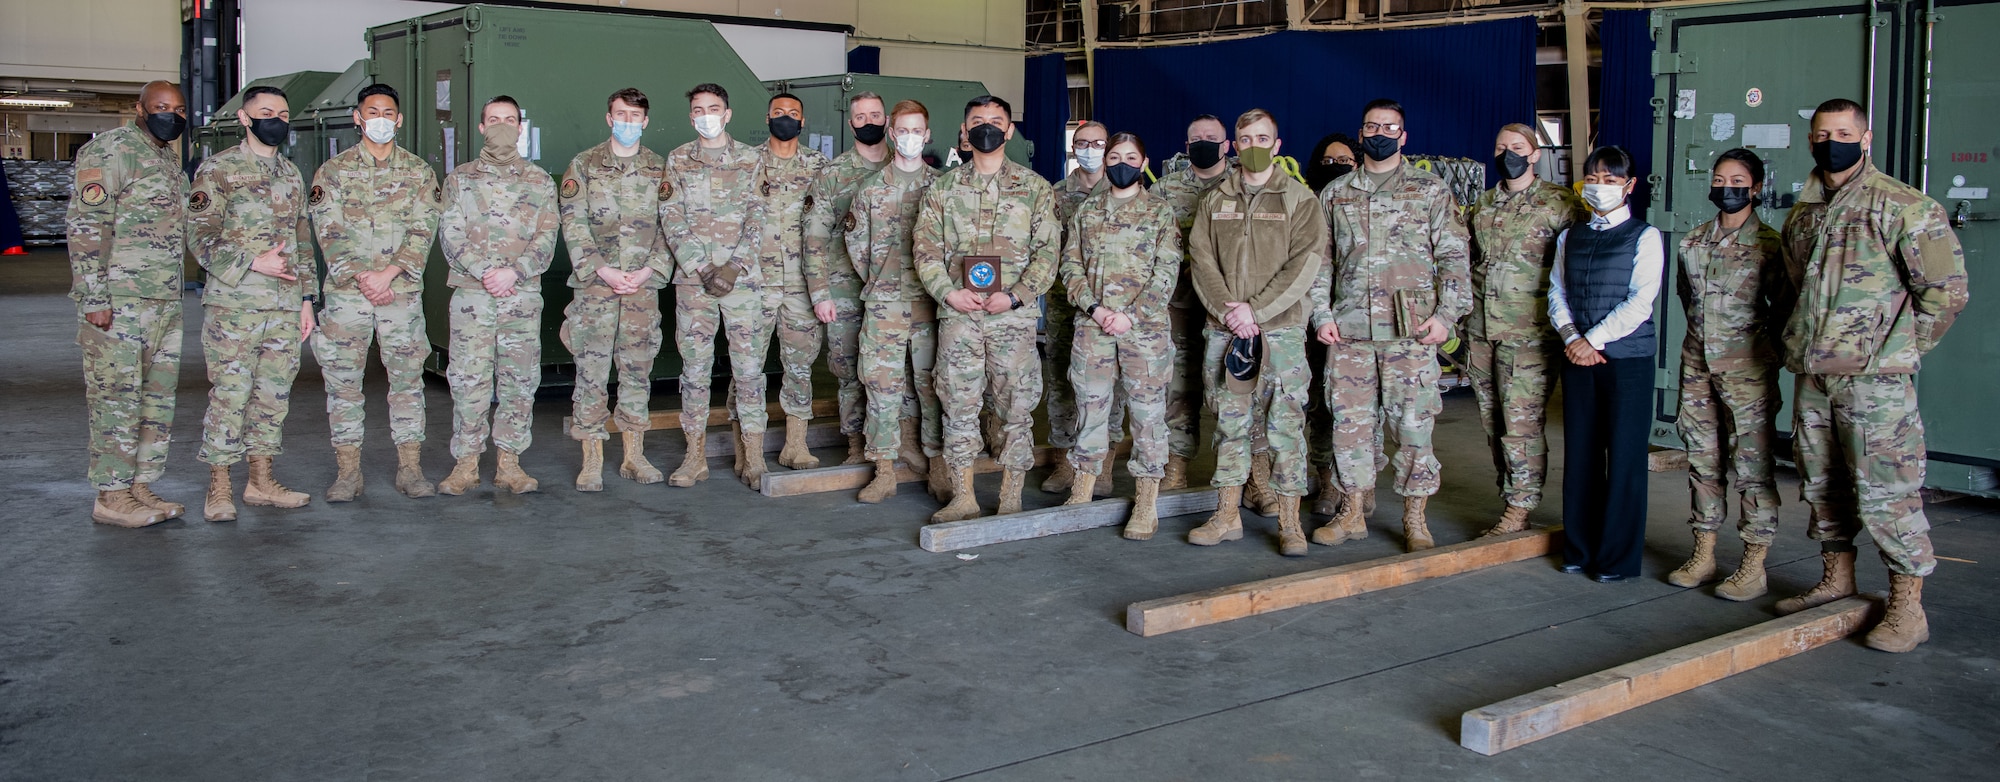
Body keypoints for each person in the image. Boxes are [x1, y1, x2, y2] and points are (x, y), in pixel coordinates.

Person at [1775, 98, 1967, 652]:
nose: (1828, 141)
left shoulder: (1904, 205)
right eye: (1819, 133)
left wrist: (1897, 353)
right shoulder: (1805, 211)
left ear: (1865, 138)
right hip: (1813, 376)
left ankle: (1908, 606)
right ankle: (1837, 579)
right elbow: (1791, 292)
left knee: (1887, 490)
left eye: (1841, 132)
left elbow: (1946, 294)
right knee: (1821, 481)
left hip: (1874, 382)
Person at [1312, 99, 1471, 552]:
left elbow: (1455, 259)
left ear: (1404, 136)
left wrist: (1446, 318)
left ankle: (1415, 517)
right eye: (1371, 126)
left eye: (1389, 127)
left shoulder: (1430, 190)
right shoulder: (1337, 192)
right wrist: (1321, 314)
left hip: (1412, 332)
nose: (1379, 133)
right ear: (1360, 134)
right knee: (1351, 426)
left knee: (1414, 427)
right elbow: (1320, 263)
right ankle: (1351, 512)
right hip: (1351, 332)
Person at [913, 95, 1060, 522]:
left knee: (1016, 405)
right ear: (964, 131)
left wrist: (1016, 295)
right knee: (958, 403)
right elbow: (925, 250)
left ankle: (1011, 495)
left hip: (1011, 317)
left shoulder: (1035, 188)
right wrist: (948, 293)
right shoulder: (943, 189)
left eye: (995, 121)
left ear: (1010, 130)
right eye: (977, 121)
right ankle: (964, 496)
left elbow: (1048, 253)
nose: (986, 128)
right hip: (960, 315)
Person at [1187, 108, 1327, 555]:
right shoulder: (1215, 199)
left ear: (1277, 145)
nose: (1253, 147)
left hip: (1280, 334)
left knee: (1285, 428)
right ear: (1236, 144)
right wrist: (1231, 313)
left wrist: (1256, 311)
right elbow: (1201, 259)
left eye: (1262, 138)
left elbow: (1304, 265)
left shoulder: (1299, 200)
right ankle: (1226, 515)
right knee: (1230, 426)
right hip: (1227, 330)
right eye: (1245, 139)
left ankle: (1290, 524)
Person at [188, 84, 319, 521]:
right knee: (230, 394)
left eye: (283, 114)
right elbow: (199, 238)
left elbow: (302, 240)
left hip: (284, 307)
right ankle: (219, 487)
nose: (276, 121)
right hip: (234, 306)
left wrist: (306, 298)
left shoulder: (290, 174)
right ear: (245, 119)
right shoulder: (218, 170)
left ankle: (261, 482)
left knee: (273, 396)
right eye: (266, 112)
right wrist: (251, 262)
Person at [308, 83, 442, 502]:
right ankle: (348, 474)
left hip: (400, 294)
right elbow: (327, 232)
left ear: (398, 120)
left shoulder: (419, 172)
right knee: (343, 384)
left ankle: (410, 469)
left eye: (388, 112)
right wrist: (366, 277)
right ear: (358, 117)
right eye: (372, 111)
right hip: (349, 296)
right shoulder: (332, 172)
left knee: (407, 383)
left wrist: (390, 273)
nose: (380, 119)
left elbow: (425, 230)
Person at [1666, 148, 1788, 599]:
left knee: (1753, 467)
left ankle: (1753, 563)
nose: (1727, 188)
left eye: (1737, 181)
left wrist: (1755, 349)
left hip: (1749, 372)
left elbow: (1785, 310)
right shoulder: (1692, 243)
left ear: (1755, 189)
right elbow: (1688, 301)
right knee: (1702, 462)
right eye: (1719, 180)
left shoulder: (1772, 246)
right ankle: (1704, 552)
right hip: (1697, 367)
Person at [67, 80, 189, 527]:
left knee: (156, 401)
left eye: (177, 108)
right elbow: (86, 226)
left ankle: (140, 486)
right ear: (138, 108)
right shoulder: (111, 151)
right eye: (160, 106)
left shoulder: (168, 160)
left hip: (162, 302)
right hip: (119, 302)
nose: (170, 115)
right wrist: (95, 297)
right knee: (116, 398)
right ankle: (110, 494)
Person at [1461, 123, 1588, 536]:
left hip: (1530, 332)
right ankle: (1509, 493)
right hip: (1482, 330)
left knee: (1522, 423)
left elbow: (1577, 268)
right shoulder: (1483, 205)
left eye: (1518, 147)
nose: (1508, 154)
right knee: (1492, 420)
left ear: (1534, 154)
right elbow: (1470, 262)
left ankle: (1520, 506)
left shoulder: (1560, 203)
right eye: (1501, 147)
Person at [1058, 132, 1180, 540]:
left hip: (1144, 333)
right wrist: (1095, 309)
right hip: (1093, 328)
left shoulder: (1159, 213)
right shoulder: (1086, 211)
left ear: (1143, 161)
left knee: (1147, 416)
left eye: (1131, 156)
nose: (1121, 162)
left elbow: (1167, 273)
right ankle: (1084, 485)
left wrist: (1130, 316)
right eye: (1115, 156)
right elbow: (1070, 267)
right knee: (1091, 409)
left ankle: (1147, 500)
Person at [1548, 146, 1661, 583]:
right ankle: (1579, 548)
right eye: (1593, 177)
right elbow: (1557, 292)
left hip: (1626, 360)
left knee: (1625, 457)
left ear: (1629, 186)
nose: (1601, 186)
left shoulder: (1644, 236)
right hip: (1578, 355)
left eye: (1611, 179)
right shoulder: (1570, 236)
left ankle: (1616, 559)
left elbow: (1640, 302)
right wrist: (1572, 338)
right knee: (1581, 455)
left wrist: (1591, 340)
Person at [436, 96, 560, 496]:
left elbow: (547, 237)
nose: (502, 126)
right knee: (468, 380)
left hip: (520, 296)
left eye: (510, 120)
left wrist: (514, 272)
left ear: (521, 127)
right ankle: (466, 464)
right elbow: (450, 234)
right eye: (494, 120)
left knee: (518, 381)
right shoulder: (460, 179)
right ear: (481, 128)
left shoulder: (540, 181)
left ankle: (510, 463)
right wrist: (486, 271)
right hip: (473, 296)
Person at [559, 87, 671, 491]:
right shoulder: (584, 165)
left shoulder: (661, 169)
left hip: (641, 290)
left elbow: (669, 227)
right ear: (609, 118)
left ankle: (633, 456)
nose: (626, 122)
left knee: (638, 371)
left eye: (634, 116)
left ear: (645, 121)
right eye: (619, 115)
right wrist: (601, 270)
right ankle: (591, 461)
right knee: (590, 372)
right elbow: (572, 222)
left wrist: (648, 271)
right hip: (595, 289)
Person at [660, 83, 771, 489]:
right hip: (694, 283)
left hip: (741, 283)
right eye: (698, 109)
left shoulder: (751, 159)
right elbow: (670, 218)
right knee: (694, 370)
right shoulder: (677, 160)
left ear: (728, 114)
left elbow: (760, 217)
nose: (707, 114)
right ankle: (694, 458)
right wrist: (703, 267)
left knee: (749, 371)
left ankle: (755, 457)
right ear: (691, 117)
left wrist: (734, 267)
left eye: (714, 108)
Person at [847, 99, 944, 503]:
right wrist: (881, 280)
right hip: (885, 302)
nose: (908, 137)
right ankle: (883, 469)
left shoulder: (942, 187)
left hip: (931, 303)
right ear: (891, 133)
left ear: (927, 135)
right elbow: (856, 245)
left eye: (915, 130)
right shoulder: (871, 189)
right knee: (882, 387)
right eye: (901, 130)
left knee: (933, 386)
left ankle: (938, 465)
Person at [803, 91, 891, 467]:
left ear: (887, 119)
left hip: (896, 291)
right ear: (850, 123)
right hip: (845, 289)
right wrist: (821, 293)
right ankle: (856, 445)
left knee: (897, 371)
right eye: (860, 117)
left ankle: (897, 447)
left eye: (875, 115)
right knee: (850, 370)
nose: (868, 122)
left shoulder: (908, 167)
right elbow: (813, 238)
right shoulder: (833, 174)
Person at [1150, 114, 1233, 490]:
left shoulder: (1242, 188)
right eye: (1196, 138)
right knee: (1178, 389)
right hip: (1178, 308)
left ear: (1226, 144)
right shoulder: (1164, 191)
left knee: (1234, 392)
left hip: (1229, 311)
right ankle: (1176, 466)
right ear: (1186, 146)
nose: (1203, 143)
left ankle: (1243, 477)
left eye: (1211, 137)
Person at [1041, 121, 1123, 498]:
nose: (1090, 149)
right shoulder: (1055, 195)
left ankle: (1102, 467)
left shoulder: (1126, 191)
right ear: (1073, 149)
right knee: (1061, 380)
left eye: (1097, 143)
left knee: (1111, 387)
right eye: (1082, 143)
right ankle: (1063, 462)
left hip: (1109, 308)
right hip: (1064, 302)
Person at [755, 92, 832, 470]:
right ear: (767, 118)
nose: (785, 118)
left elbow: (829, 225)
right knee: (747, 368)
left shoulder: (820, 167)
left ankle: (795, 445)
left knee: (800, 366)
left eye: (793, 114)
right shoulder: (748, 163)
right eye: (778, 113)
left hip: (802, 285)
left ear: (803, 123)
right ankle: (748, 450)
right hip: (754, 283)